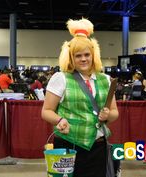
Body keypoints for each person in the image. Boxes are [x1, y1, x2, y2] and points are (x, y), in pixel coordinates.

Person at [41, 18, 119, 177]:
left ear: (93, 55)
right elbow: (46, 111)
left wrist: (108, 115)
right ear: (71, 57)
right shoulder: (61, 78)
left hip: (98, 147)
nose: (83, 59)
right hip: (69, 146)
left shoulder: (105, 79)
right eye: (78, 56)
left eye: (86, 54)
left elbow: (114, 112)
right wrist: (59, 120)